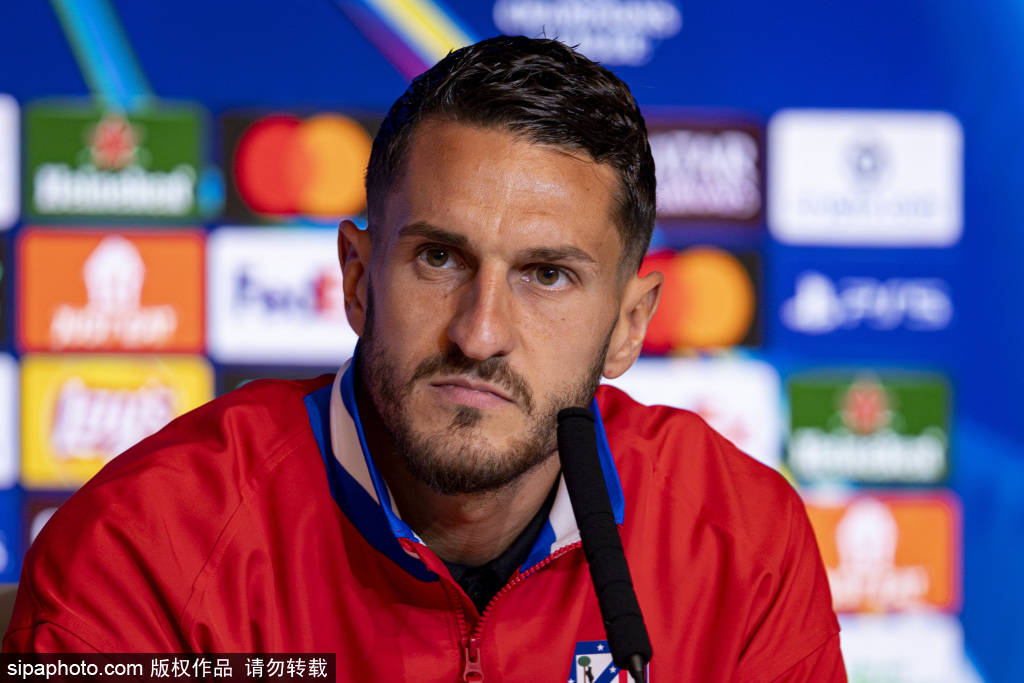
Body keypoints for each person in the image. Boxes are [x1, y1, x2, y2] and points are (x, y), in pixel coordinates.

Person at [4, 36, 845, 680]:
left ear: (629, 325)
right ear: (357, 277)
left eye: (546, 275)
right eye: (439, 258)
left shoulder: (741, 544)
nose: (479, 333)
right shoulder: (145, 546)